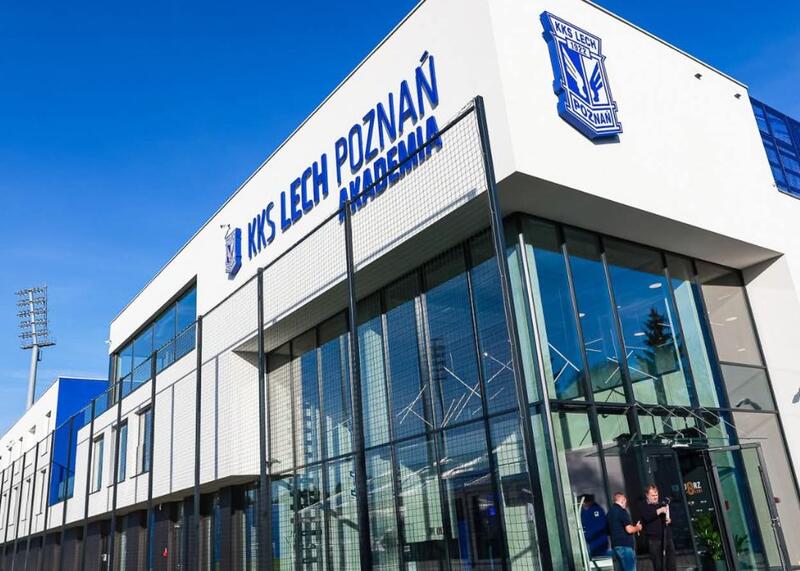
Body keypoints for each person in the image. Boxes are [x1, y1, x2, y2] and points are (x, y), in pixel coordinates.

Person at [640, 484, 677, 571]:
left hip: (667, 538)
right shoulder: (644, 506)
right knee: (658, 566)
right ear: (647, 495)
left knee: (671, 564)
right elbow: (647, 517)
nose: (655, 497)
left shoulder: (662, 505)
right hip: (654, 540)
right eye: (653, 495)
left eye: (656, 495)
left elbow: (672, 519)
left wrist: (670, 520)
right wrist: (659, 511)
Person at [607, 492, 641, 571]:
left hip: (616, 547)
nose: (626, 504)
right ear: (623, 500)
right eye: (625, 501)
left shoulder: (609, 513)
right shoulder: (622, 511)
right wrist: (637, 528)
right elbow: (629, 529)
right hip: (626, 547)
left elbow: (608, 531)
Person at [580, 494, 610, 559]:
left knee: (601, 557)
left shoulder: (596, 510)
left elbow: (600, 525)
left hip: (598, 541)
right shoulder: (583, 511)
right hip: (591, 542)